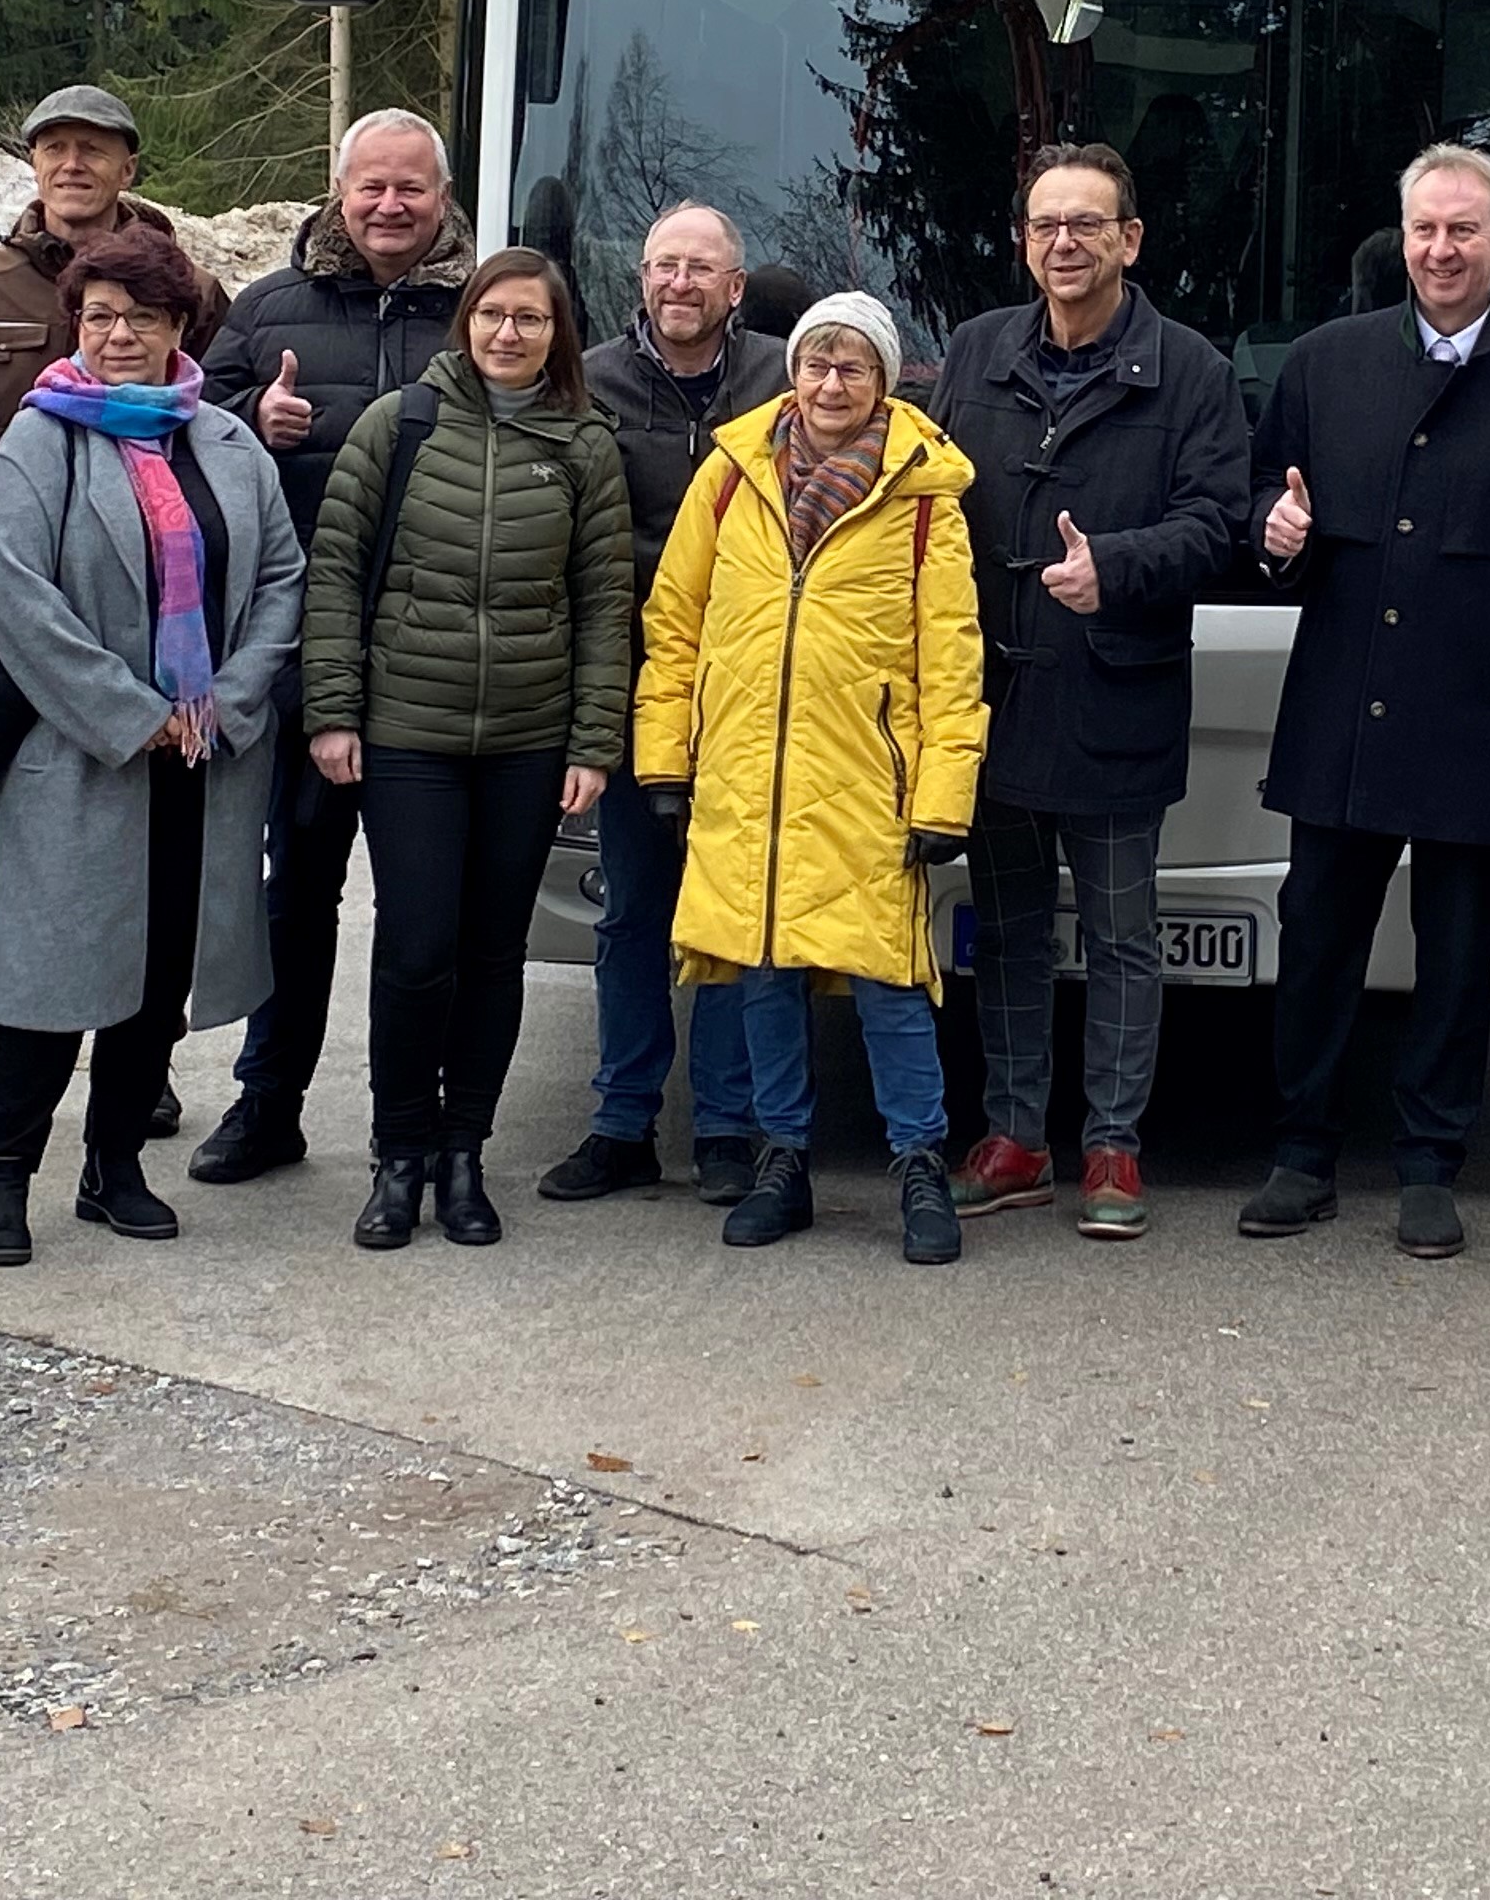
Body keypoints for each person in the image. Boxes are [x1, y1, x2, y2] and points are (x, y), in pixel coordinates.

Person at [1242, 145, 1490, 1262]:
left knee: (1456, 960)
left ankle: (1429, 1164)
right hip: (1342, 708)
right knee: (1317, 940)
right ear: (1399, 238)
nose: (1441, 251)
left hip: (1482, 716)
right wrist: (1275, 535)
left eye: (1463, 232)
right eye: (1423, 231)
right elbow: (1267, 503)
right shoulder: (1324, 365)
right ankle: (1302, 1154)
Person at [0, 223, 303, 1266]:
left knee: (158, 975)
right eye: (99, 315)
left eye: (140, 317)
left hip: (203, 757)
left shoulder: (226, 441)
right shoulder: (41, 439)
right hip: (80, 755)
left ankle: (115, 1168)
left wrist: (227, 701)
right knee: (51, 975)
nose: (117, 335)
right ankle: (3, 1176)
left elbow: (283, 579)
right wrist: (128, 711)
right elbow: (16, 598)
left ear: (178, 326)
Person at [927, 143, 1247, 1241]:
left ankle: (1113, 1149)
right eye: (1045, 226)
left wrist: (1116, 565)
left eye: (1086, 225)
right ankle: (1013, 1138)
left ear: (1130, 241)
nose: (1064, 243)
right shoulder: (972, 353)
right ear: (1024, 241)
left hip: (1117, 691)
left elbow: (1218, 525)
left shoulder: (1192, 369)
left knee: (1120, 934)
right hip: (997, 695)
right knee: (1009, 929)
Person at [637, 291, 987, 1264]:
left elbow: (950, 659)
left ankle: (920, 1166)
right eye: (817, 365)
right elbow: (675, 622)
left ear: (884, 383)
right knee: (764, 972)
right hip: (746, 775)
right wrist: (667, 757)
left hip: (866, 783)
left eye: (854, 369)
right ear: (792, 372)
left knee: (890, 983)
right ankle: (780, 1161)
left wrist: (943, 794)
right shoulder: (731, 477)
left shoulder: (922, 501)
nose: (832, 385)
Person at [303, 251, 636, 1249]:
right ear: (467, 323)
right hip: (410, 733)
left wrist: (594, 741)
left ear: (555, 335)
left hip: (531, 743)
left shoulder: (583, 444)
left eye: (529, 320)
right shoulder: (398, 424)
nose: (507, 334)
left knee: (494, 958)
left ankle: (463, 1156)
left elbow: (604, 605)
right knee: (415, 950)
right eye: (492, 314)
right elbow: (336, 573)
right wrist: (332, 709)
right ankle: (397, 1156)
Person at [187, 108, 476, 1188]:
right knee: (295, 896)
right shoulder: (266, 312)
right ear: (338, 193)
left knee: (425, 912)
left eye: (410, 189)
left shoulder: (487, 310)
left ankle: (430, 1118)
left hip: (441, 659)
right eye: (372, 189)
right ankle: (270, 1102)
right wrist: (253, 426)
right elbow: (180, 453)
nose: (390, 207)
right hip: (310, 655)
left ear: (441, 197)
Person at [0, 85, 178, 1145]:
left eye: (95, 150)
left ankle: (137, 1059)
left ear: (127, 165)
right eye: (55, 149)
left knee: (136, 860)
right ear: (31, 164)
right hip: (8, 614)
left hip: (135, 614)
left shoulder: (172, 280)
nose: (73, 165)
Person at [541, 205, 786, 1206]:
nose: (680, 284)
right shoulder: (588, 381)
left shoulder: (785, 378)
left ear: (738, 289)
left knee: (730, 914)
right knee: (633, 909)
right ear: (640, 280)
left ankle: (727, 1126)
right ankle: (623, 1119)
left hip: (755, 693)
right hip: (632, 683)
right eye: (663, 266)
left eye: (702, 269)